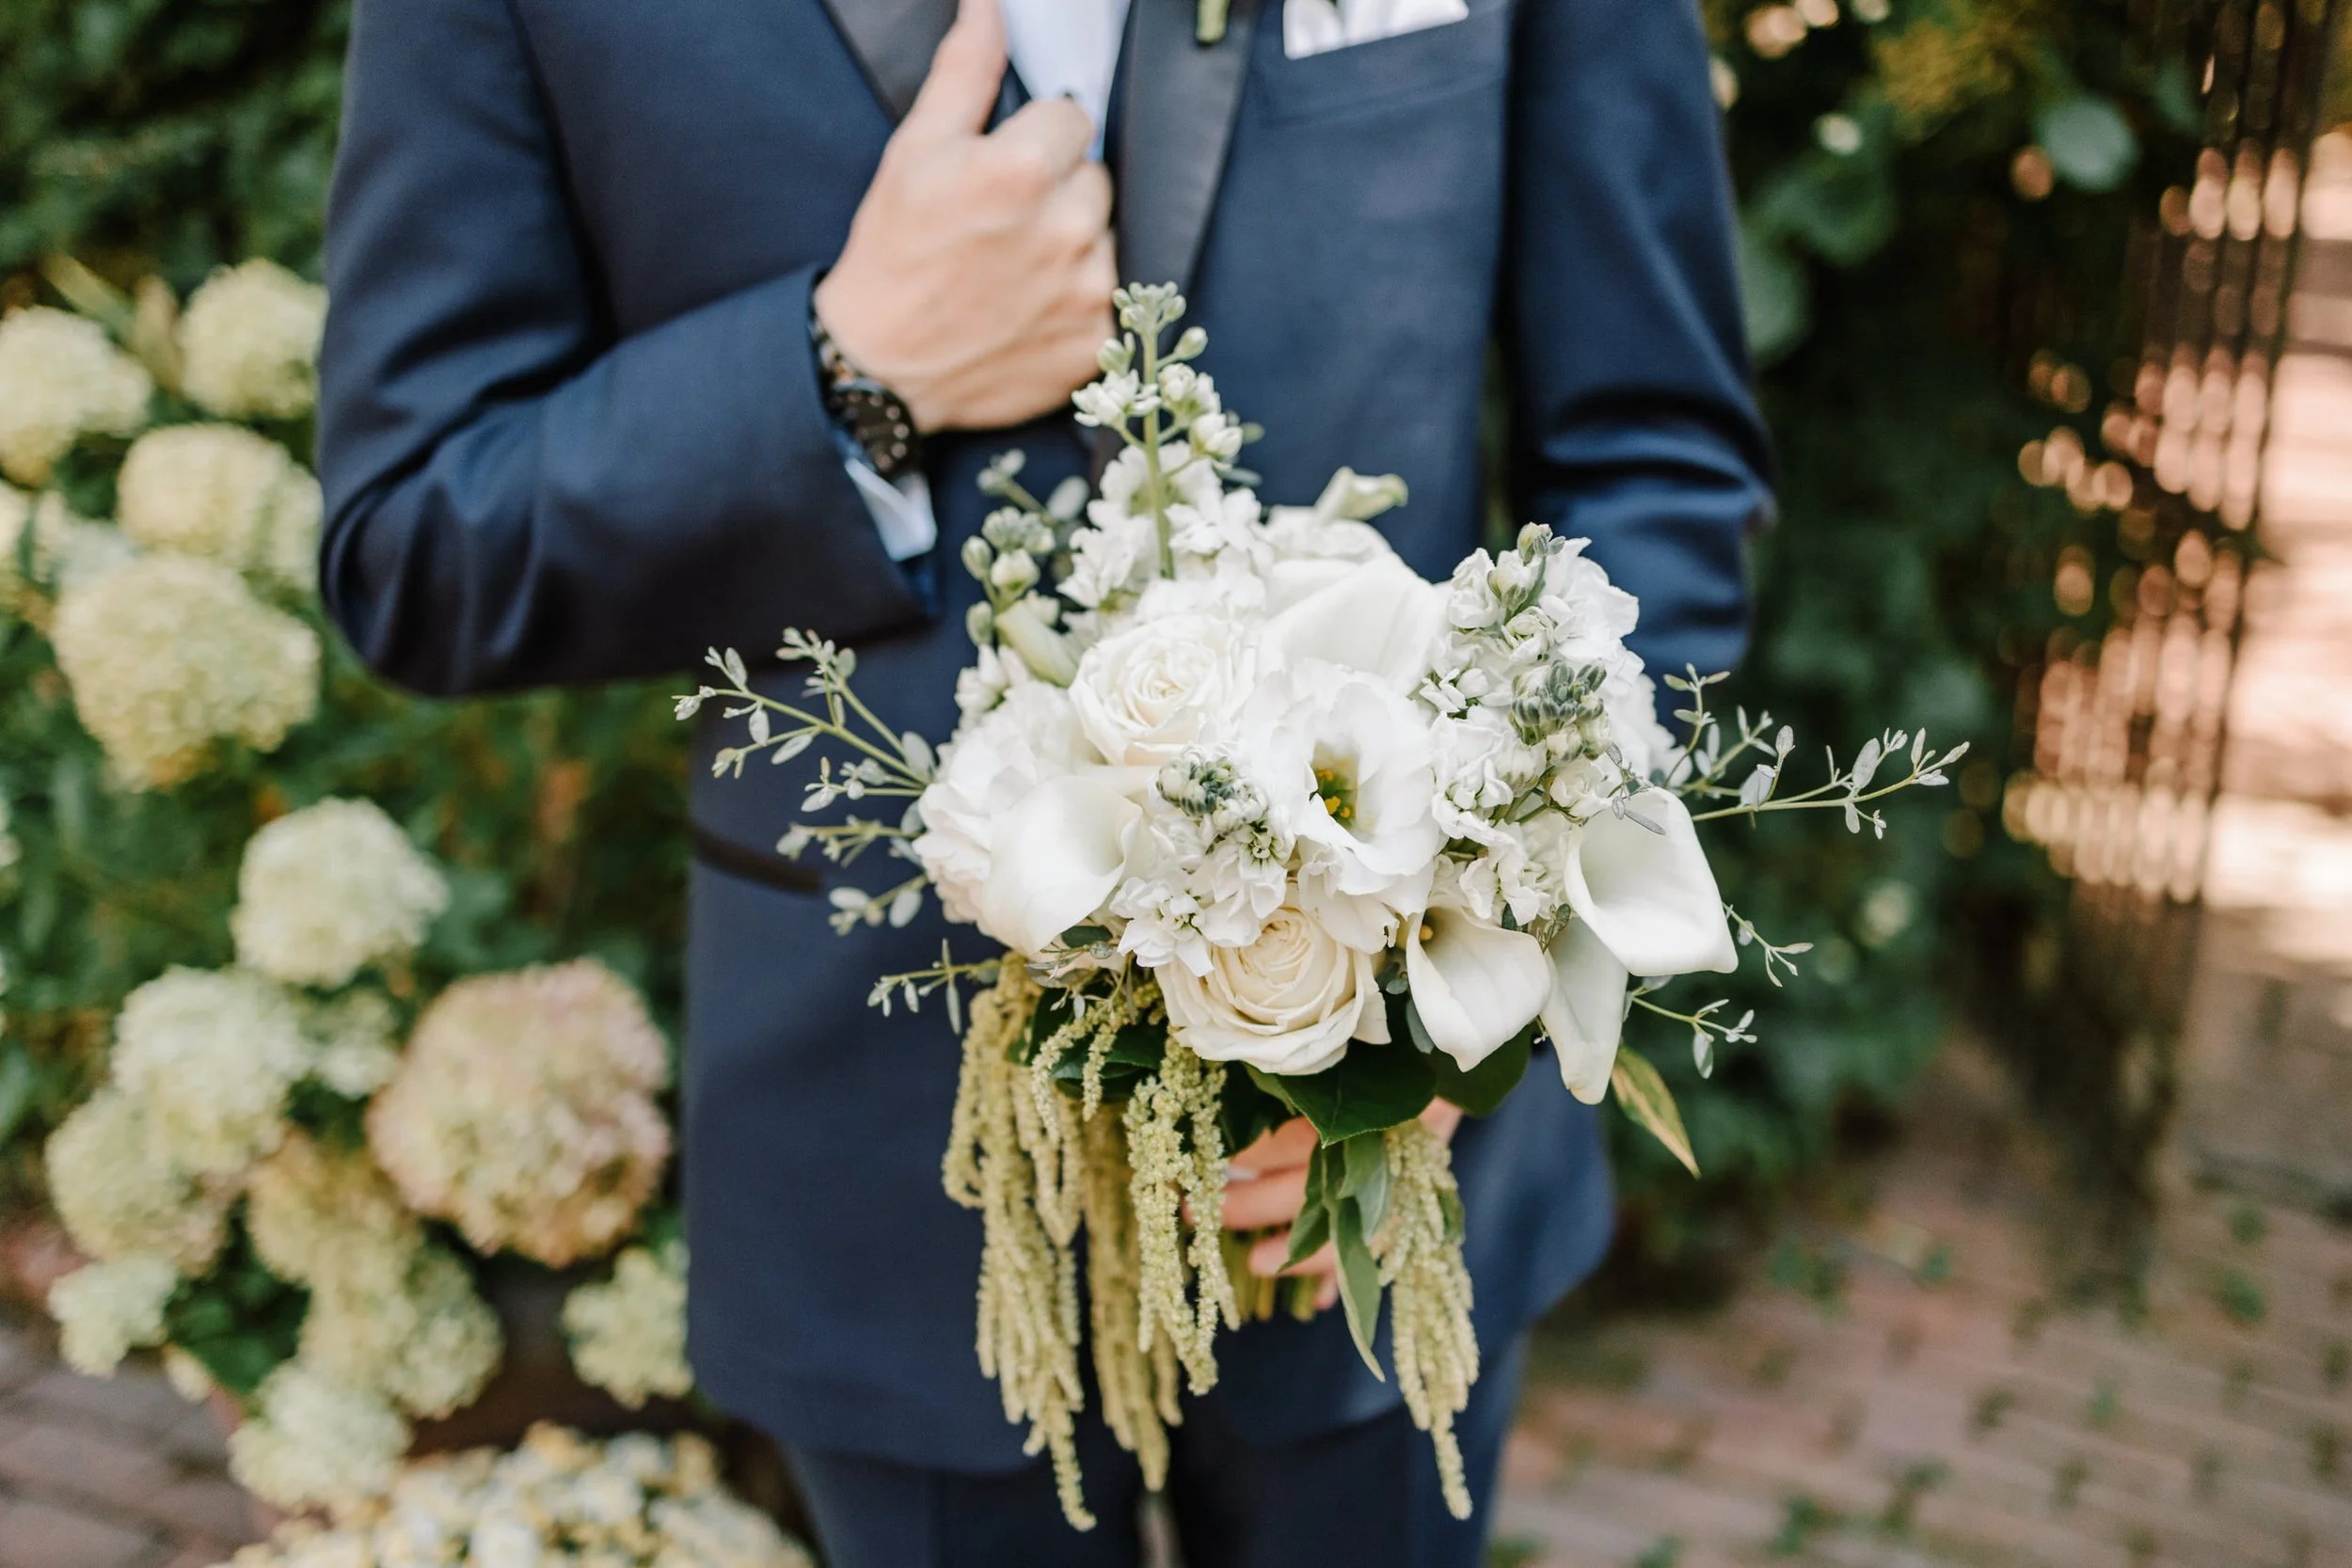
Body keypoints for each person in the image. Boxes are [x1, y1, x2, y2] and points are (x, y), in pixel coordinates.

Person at [314, 0, 1772, 1560]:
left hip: (1387, 1165)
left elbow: (1652, 462)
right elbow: (413, 535)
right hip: (885, 1155)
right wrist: (843, 371)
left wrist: (1473, 970)